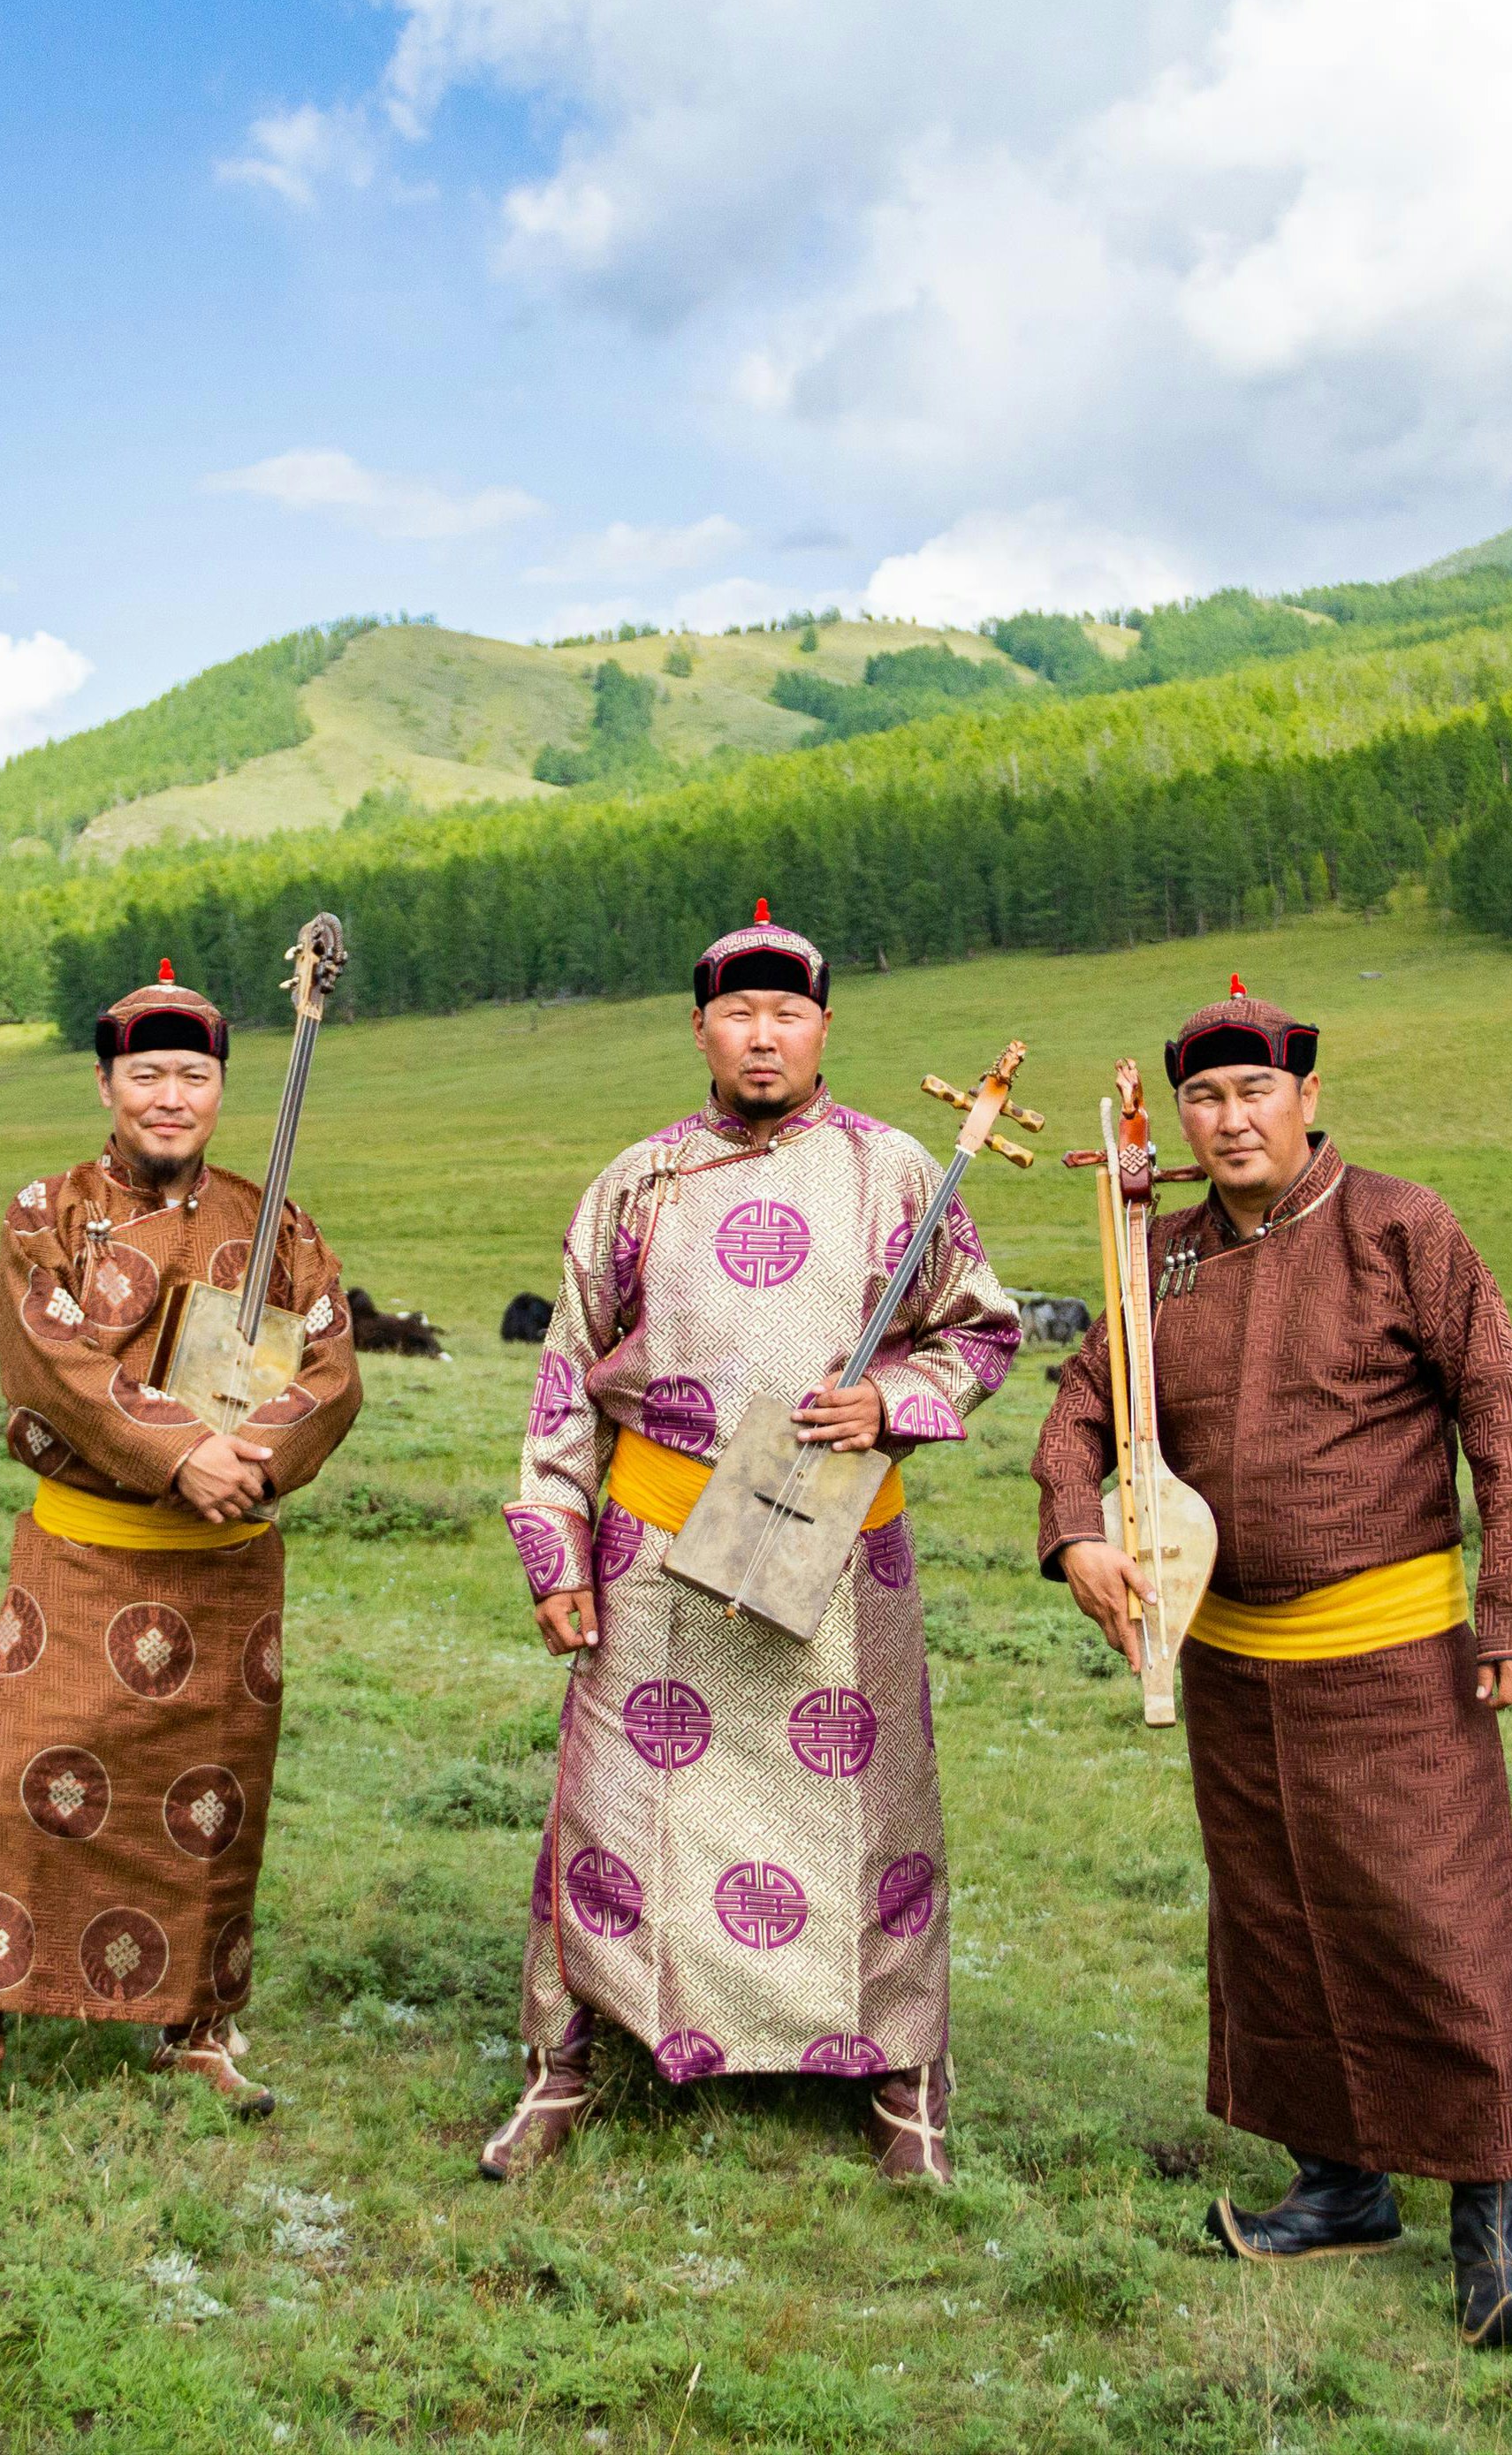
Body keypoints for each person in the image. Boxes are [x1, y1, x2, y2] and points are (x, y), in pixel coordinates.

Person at [1031, 979, 1512, 2349]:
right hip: (1230, 1667)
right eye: (1204, 1097)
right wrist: (1074, 1536)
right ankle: (1337, 2188)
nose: (1228, 1119)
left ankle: (1495, 2217)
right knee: (1277, 1935)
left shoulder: (1401, 1228)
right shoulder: (1161, 1262)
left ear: (1308, 1099)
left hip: (1392, 1659)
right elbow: (1077, 1411)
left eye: (1254, 1091)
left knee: (1438, 1926)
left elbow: (1503, 1415)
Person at [482, 901, 1021, 2186]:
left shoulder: (897, 1171)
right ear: (701, 1030)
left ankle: (898, 2076)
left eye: (788, 1013)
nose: (763, 1036)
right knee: (617, 1811)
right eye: (739, 1013)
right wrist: (556, 1549)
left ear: (826, 1026)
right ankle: (569, 2060)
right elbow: (566, 1375)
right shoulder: (638, 1181)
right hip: (658, 1553)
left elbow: (982, 1332)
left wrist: (892, 1401)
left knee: (869, 1817)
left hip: (837, 1553)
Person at [0, 959, 361, 2138]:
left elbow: (330, 1368)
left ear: (220, 1090)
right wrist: (178, 1452)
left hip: (227, 1565)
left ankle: (195, 2024)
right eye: (147, 1073)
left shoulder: (278, 1226)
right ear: (107, 1084)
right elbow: (49, 1360)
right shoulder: (41, 1215)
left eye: (194, 1076)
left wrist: (252, 1453)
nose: (171, 1097)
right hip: (89, 1549)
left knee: (209, 1799)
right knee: (20, 1776)